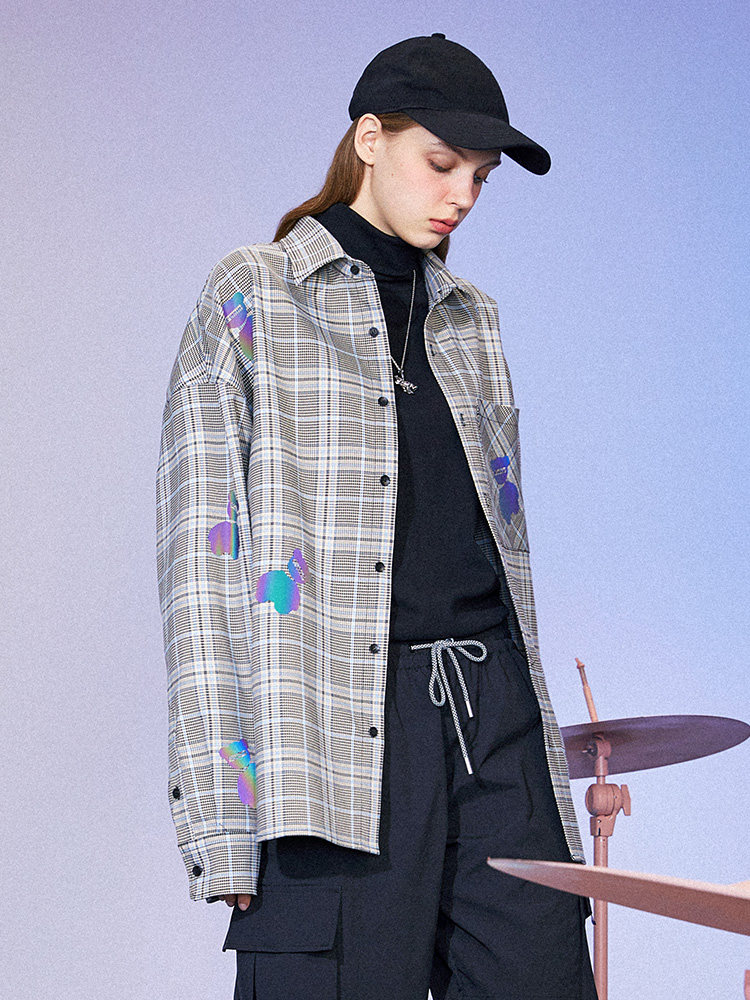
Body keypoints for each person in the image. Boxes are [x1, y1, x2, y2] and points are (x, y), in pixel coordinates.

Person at [156, 32, 598, 1000]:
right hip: (334, 727)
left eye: (479, 178)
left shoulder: (472, 319)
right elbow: (201, 571)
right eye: (442, 164)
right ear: (369, 139)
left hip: (494, 713)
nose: (461, 195)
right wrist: (222, 817)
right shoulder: (254, 295)